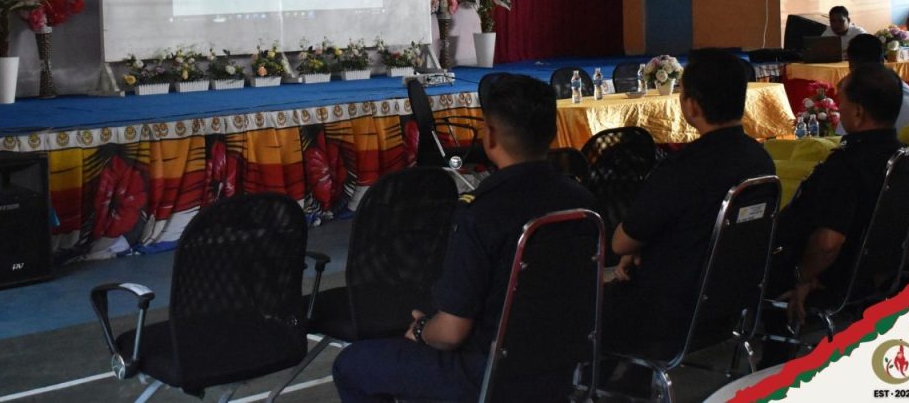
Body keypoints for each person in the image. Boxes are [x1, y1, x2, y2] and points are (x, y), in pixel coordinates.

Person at [332, 74, 595, 403]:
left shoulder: (482, 212)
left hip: (485, 374)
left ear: (490, 136)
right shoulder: (584, 202)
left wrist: (422, 329)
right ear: (553, 133)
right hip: (561, 369)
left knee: (352, 365)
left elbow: (450, 334)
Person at [602, 48, 775, 356]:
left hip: (671, 310)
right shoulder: (760, 159)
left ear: (691, 106)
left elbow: (620, 242)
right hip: (732, 304)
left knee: (583, 307)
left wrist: (638, 247)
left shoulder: (683, 169)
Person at [767, 64, 909, 336]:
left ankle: (770, 351)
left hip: (825, 275)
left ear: (858, 112)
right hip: (870, 278)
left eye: (841, 102)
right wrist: (888, 273)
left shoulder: (845, 166)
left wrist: (802, 277)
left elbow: (828, 243)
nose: (838, 109)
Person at [832, 34, 909, 134]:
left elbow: (841, 137)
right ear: (882, 61)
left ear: (851, 66)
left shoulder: (860, 92)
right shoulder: (899, 85)